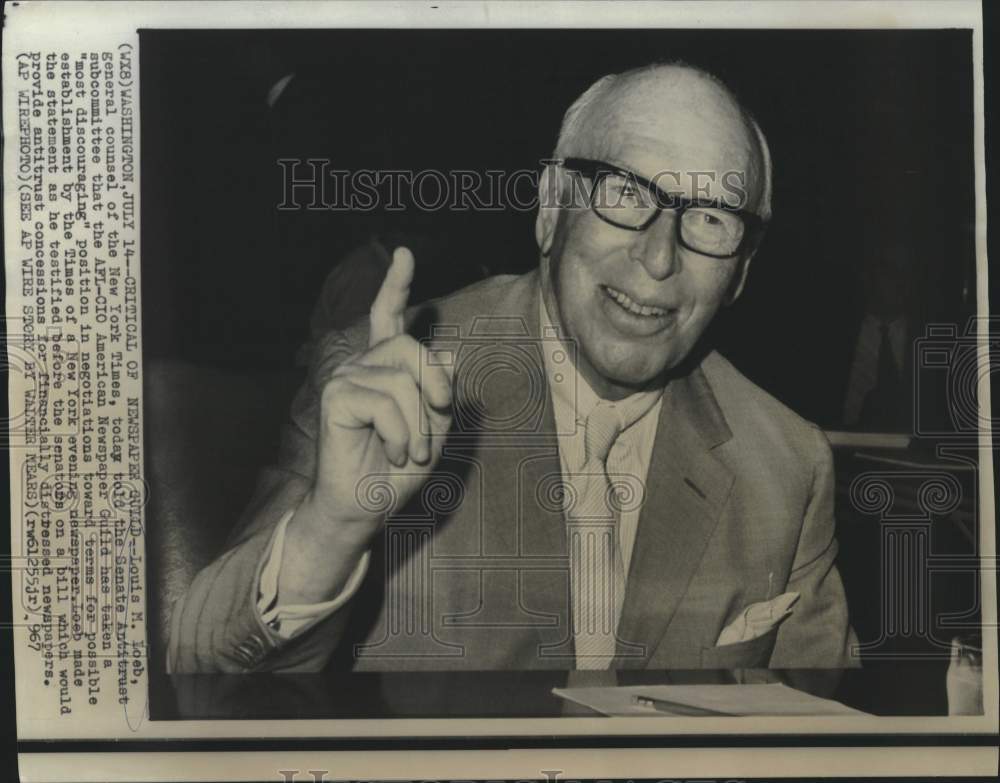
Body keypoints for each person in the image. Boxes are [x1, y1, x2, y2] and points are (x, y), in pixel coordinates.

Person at [167, 63, 858, 673]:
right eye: (623, 192)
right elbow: (199, 666)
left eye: (710, 218)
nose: (657, 260)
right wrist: (333, 527)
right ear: (552, 207)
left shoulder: (789, 465)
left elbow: (825, 729)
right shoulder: (385, 376)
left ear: (740, 272)